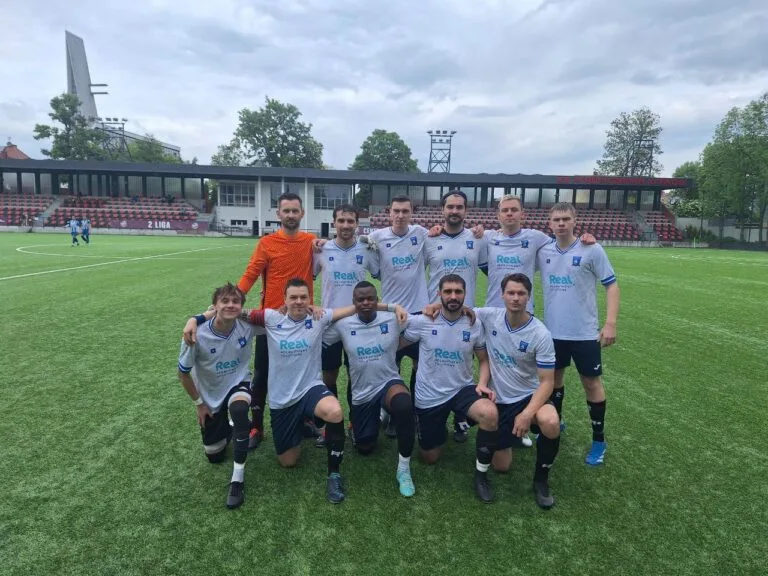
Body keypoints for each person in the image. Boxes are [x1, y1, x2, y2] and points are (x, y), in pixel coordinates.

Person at [184, 278, 407, 503]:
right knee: (288, 461)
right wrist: (196, 319)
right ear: (285, 300)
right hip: (282, 399)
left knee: (334, 411)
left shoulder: (319, 317)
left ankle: (334, 474)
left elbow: (360, 305)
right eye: (293, 297)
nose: (298, 301)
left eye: (303, 297)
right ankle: (303, 426)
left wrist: (391, 307)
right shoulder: (271, 317)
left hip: (310, 388)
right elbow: (229, 311)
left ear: (310, 299)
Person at [401, 274, 500, 503]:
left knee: (489, 413)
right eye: (448, 292)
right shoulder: (424, 321)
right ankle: (439, 428)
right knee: (429, 457)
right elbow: (397, 343)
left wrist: (483, 384)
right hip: (429, 395)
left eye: (458, 291)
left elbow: (484, 360)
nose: (453, 296)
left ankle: (481, 476)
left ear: (465, 295)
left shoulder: (473, 323)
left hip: (461, 389)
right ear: (439, 294)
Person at [536, 202, 620, 466]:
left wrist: (610, 323)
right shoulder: (544, 250)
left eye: (565, 219)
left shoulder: (591, 249)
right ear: (549, 223)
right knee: (554, 379)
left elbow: (612, 285)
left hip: (584, 333)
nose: (561, 223)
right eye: (556, 219)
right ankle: (556, 423)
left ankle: (598, 439)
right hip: (552, 332)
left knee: (591, 383)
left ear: (575, 221)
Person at [236, 192, 318, 448]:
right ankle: (257, 426)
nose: (291, 215)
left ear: (302, 214)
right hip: (270, 321)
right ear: (278, 214)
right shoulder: (267, 243)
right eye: (287, 211)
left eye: (295, 211)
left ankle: (304, 420)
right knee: (262, 373)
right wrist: (233, 300)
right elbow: (251, 274)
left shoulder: (311, 241)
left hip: (302, 320)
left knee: (301, 372)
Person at [472, 273, 561, 509]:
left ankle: (541, 480)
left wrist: (527, 413)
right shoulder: (491, 317)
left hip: (528, 397)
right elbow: (463, 310)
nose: (515, 298)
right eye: (511, 293)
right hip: (500, 400)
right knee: (502, 466)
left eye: (521, 293)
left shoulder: (540, 334)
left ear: (528, 297)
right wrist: (432, 306)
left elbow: (547, 383)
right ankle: (510, 440)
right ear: (502, 295)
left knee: (550, 421)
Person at [323, 281, 416, 497]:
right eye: (360, 299)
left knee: (403, 404)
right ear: (353, 303)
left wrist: (395, 308)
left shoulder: (393, 319)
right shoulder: (343, 324)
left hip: (388, 383)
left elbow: (425, 320)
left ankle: (403, 470)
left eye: (370, 298)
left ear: (377, 300)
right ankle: (378, 418)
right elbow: (318, 332)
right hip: (362, 394)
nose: (366, 303)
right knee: (365, 447)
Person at [177, 283, 261, 509]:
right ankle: (229, 427)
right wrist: (199, 404)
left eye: (235, 302)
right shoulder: (196, 333)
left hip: (238, 384)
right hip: (210, 395)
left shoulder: (246, 325)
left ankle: (237, 479)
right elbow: (182, 374)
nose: (231, 305)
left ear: (242, 307)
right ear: (214, 306)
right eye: (225, 301)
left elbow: (277, 318)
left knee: (240, 410)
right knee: (214, 456)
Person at [424, 189, 488, 443]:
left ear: (466, 211)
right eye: (450, 207)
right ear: (442, 210)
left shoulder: (477, 238)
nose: (454, 211)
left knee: (464, 364)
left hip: (466, 314)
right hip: (434, 314)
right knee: (427, 363)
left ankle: (460, 418)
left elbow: (489, 269)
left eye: (459, 207)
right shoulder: (429, 239)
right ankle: (426, 411)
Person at [313, 205, 379, 444]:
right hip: (330, 324)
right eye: (341, 220)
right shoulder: (321, 249)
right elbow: (308, 278)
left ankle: (354, 421)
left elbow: (380, 272)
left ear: (357, 224)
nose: (346, 225)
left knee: (357, 375)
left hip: (358, 324)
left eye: (350, 221)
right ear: (334, 223)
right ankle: (332, 424)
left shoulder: (366, 248)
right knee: (329, 376)